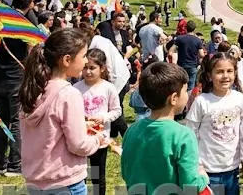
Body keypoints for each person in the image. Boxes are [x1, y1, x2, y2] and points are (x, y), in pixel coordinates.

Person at [20, 28, 107, 195]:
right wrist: (97, 140)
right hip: (65, 183)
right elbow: (79, 145)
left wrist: (82, 125)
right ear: (67, 60)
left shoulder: (33, 89)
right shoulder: (68, 93)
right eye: (83, 56)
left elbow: (49, 128)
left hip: (36, 181)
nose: (85, 61)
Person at [121, 62, 210, 194]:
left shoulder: (131, 130)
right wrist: (203, 177)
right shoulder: (183, 135)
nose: (187, 95)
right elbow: (191, 185)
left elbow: (126, 173)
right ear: (174, 98)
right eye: (185, 91)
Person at [185, 53, 243, 195]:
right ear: (210, 76)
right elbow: (190, 135)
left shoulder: (239, 99)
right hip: (208, 171)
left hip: (232, 169)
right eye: (220, 72)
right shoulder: (201, 101)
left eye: (229, 71)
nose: (225, 76)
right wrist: (197, 165)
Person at [0, 0, 34, 176]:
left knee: (0, 121)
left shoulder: (0, 20)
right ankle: (15, 165)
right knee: (15, 122)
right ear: (30, 4)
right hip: (16, 78)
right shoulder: (25, 24)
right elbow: (31, 50)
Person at [73, 49, 122, 195]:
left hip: (100, 138)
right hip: (80, 138)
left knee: (98, 174)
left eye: (92, 68)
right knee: (80, 173)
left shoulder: (108, 88)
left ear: (102, 68)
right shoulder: (75, 89)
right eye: (85, 67)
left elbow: (117, 110)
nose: (88, 72)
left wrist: (104, 117)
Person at [169, 21, 203, 91]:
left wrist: (171, 62)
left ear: (186, 28)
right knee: (191, 87)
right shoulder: (198, 40)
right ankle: (189, 100)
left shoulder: (179, 38)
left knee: (181, 85)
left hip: (181, 65)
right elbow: (202, 55)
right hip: (192, 66)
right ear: (195, 29)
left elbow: (170, 52)